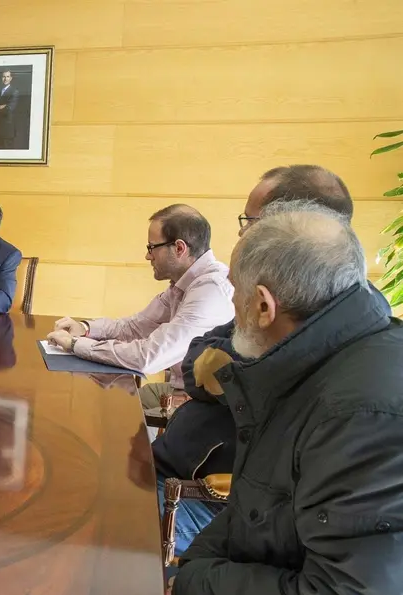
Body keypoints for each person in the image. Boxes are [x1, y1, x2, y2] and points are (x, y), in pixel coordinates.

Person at [166, 204, 403, 595]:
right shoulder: (316, 360)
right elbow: (258, 500)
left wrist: (198, 587)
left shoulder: (360, 411)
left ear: (264, 306)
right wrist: (190, 572)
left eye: (236, 294)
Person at [154, 165, 392, 557]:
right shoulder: (305, 308)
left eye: (250, 221)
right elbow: (196, 358)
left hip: (202, 499)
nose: (243, 232)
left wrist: (194, 587)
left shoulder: (334, 345)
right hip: (181, 472)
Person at [48, 204, 233, 410]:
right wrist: (86, 328)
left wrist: (75, 345)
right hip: (179, 392)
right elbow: (135, 327)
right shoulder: (182, 283)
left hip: (207, 407)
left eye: (151, 247)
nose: (147, 256)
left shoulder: (210, 291)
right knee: (107, 405)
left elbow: (148, 357)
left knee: (108, 412)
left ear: (179, 248)